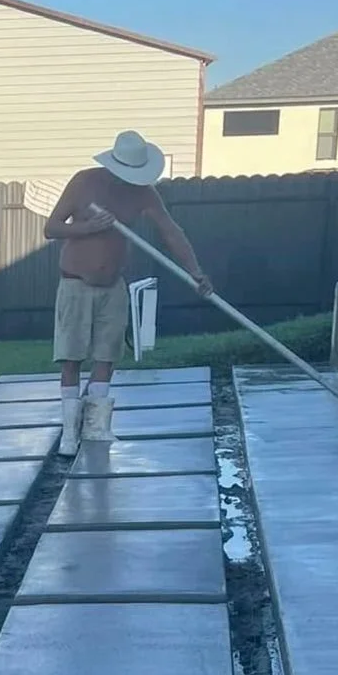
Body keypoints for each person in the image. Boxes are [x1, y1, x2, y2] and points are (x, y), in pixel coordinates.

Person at [44, 130, 213, 455]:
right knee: (71, 356)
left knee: (107, 356)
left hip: (113, 286)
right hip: (75, 283)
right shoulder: (83, 183)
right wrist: (87, 228)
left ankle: (95, 428)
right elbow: (51, 228)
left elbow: (171, 232)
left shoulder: (144, 193)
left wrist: (194, 270)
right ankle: (69, 432)